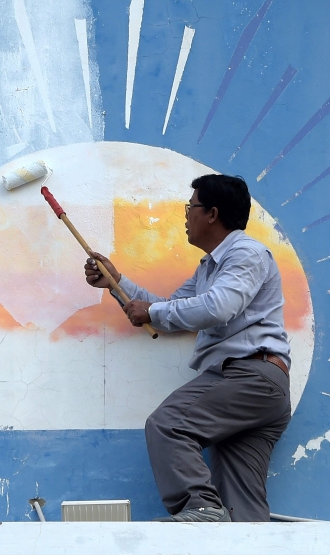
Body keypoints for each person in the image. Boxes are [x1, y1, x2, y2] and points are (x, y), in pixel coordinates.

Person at [84, 174, 291, 522]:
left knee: (169, 424)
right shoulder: (210, 267)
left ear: (211, 213)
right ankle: (232, 526)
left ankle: (199, 507)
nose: (186, 215)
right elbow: (172, 309)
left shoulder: (246, 252)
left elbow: (217, 307)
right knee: (241, 506)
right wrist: (118, 285)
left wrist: (151, 311)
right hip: (258, 386)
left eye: (190, 207)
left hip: (249, 376)